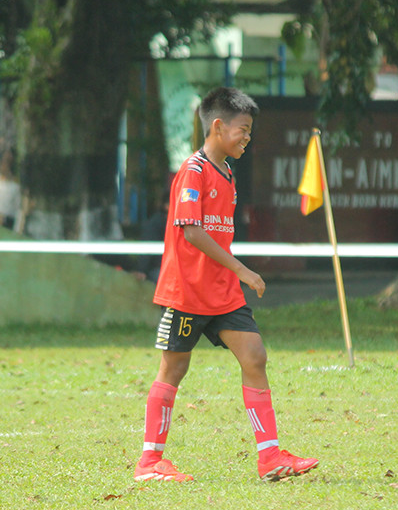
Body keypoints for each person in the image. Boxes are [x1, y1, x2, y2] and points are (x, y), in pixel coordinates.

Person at [133, 87, 318, 482]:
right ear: (217, 127)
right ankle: (150, 462)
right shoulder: (193, 171)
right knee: (174, 369)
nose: (248, 139)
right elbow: (193, 232)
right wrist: (244, 271)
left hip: (222, 293)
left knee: (254, 356)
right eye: (243, 130)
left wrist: (232, 276)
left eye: (250, 132)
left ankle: (269, 456)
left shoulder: (228, 172)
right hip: (188, 290)